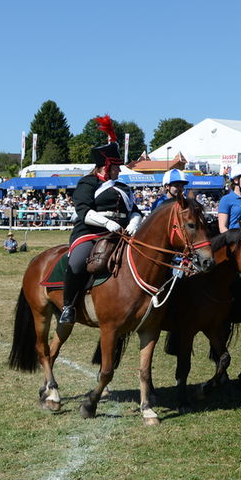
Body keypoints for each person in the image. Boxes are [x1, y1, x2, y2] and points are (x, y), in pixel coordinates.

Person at [60, 115, 142, 325]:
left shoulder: (124, 187)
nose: (119, 170)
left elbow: (135, 210)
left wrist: (133, 223)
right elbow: (83, 211)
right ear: (106, 166)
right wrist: (106, 223)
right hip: (91, 232)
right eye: (116, 166)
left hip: (122, 233)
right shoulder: (87, 183)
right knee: (77, 262)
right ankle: (68, 306)